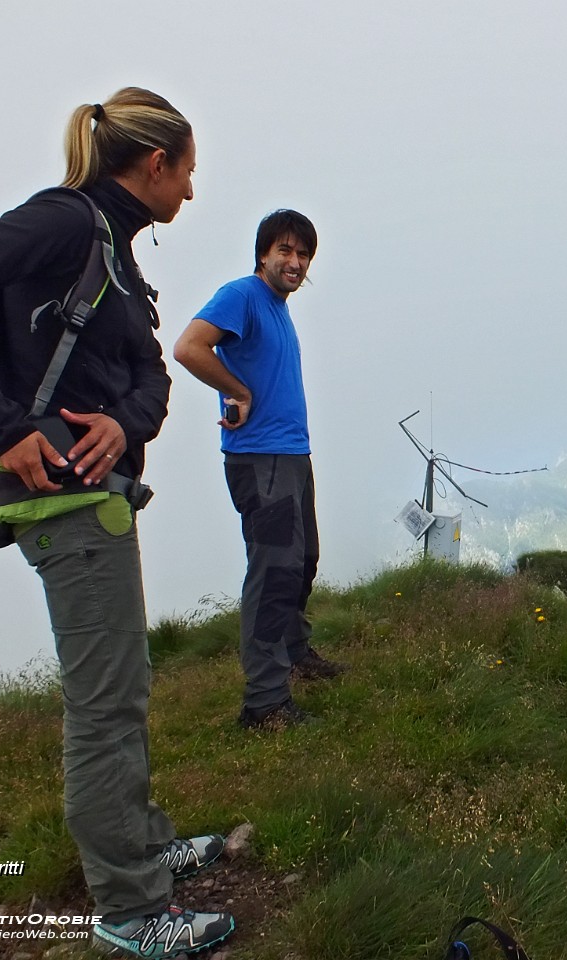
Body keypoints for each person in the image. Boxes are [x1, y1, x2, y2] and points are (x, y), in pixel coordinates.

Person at [0, 88, 234, 959]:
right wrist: (5, 428)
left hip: (97, 494)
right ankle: (130, 908)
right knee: (105, 701)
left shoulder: (111, 250)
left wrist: (127, 423)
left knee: (125, 681)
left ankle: (144, 843)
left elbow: (149, 372)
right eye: (187, 172)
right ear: (154, 165)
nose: (190, 192)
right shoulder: (65, 226)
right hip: (65, 504)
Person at [174, 209, 347, 732]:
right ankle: (265, 704)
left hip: (292, 455)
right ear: (263, 254)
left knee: (302, 562)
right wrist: (237, 390)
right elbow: (188, 348)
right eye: (285, 251)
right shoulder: (243, 295)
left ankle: (294, 655)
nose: (295, 262)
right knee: (273, 573)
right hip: (260, 458)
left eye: (303, 254)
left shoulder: (277, 306)